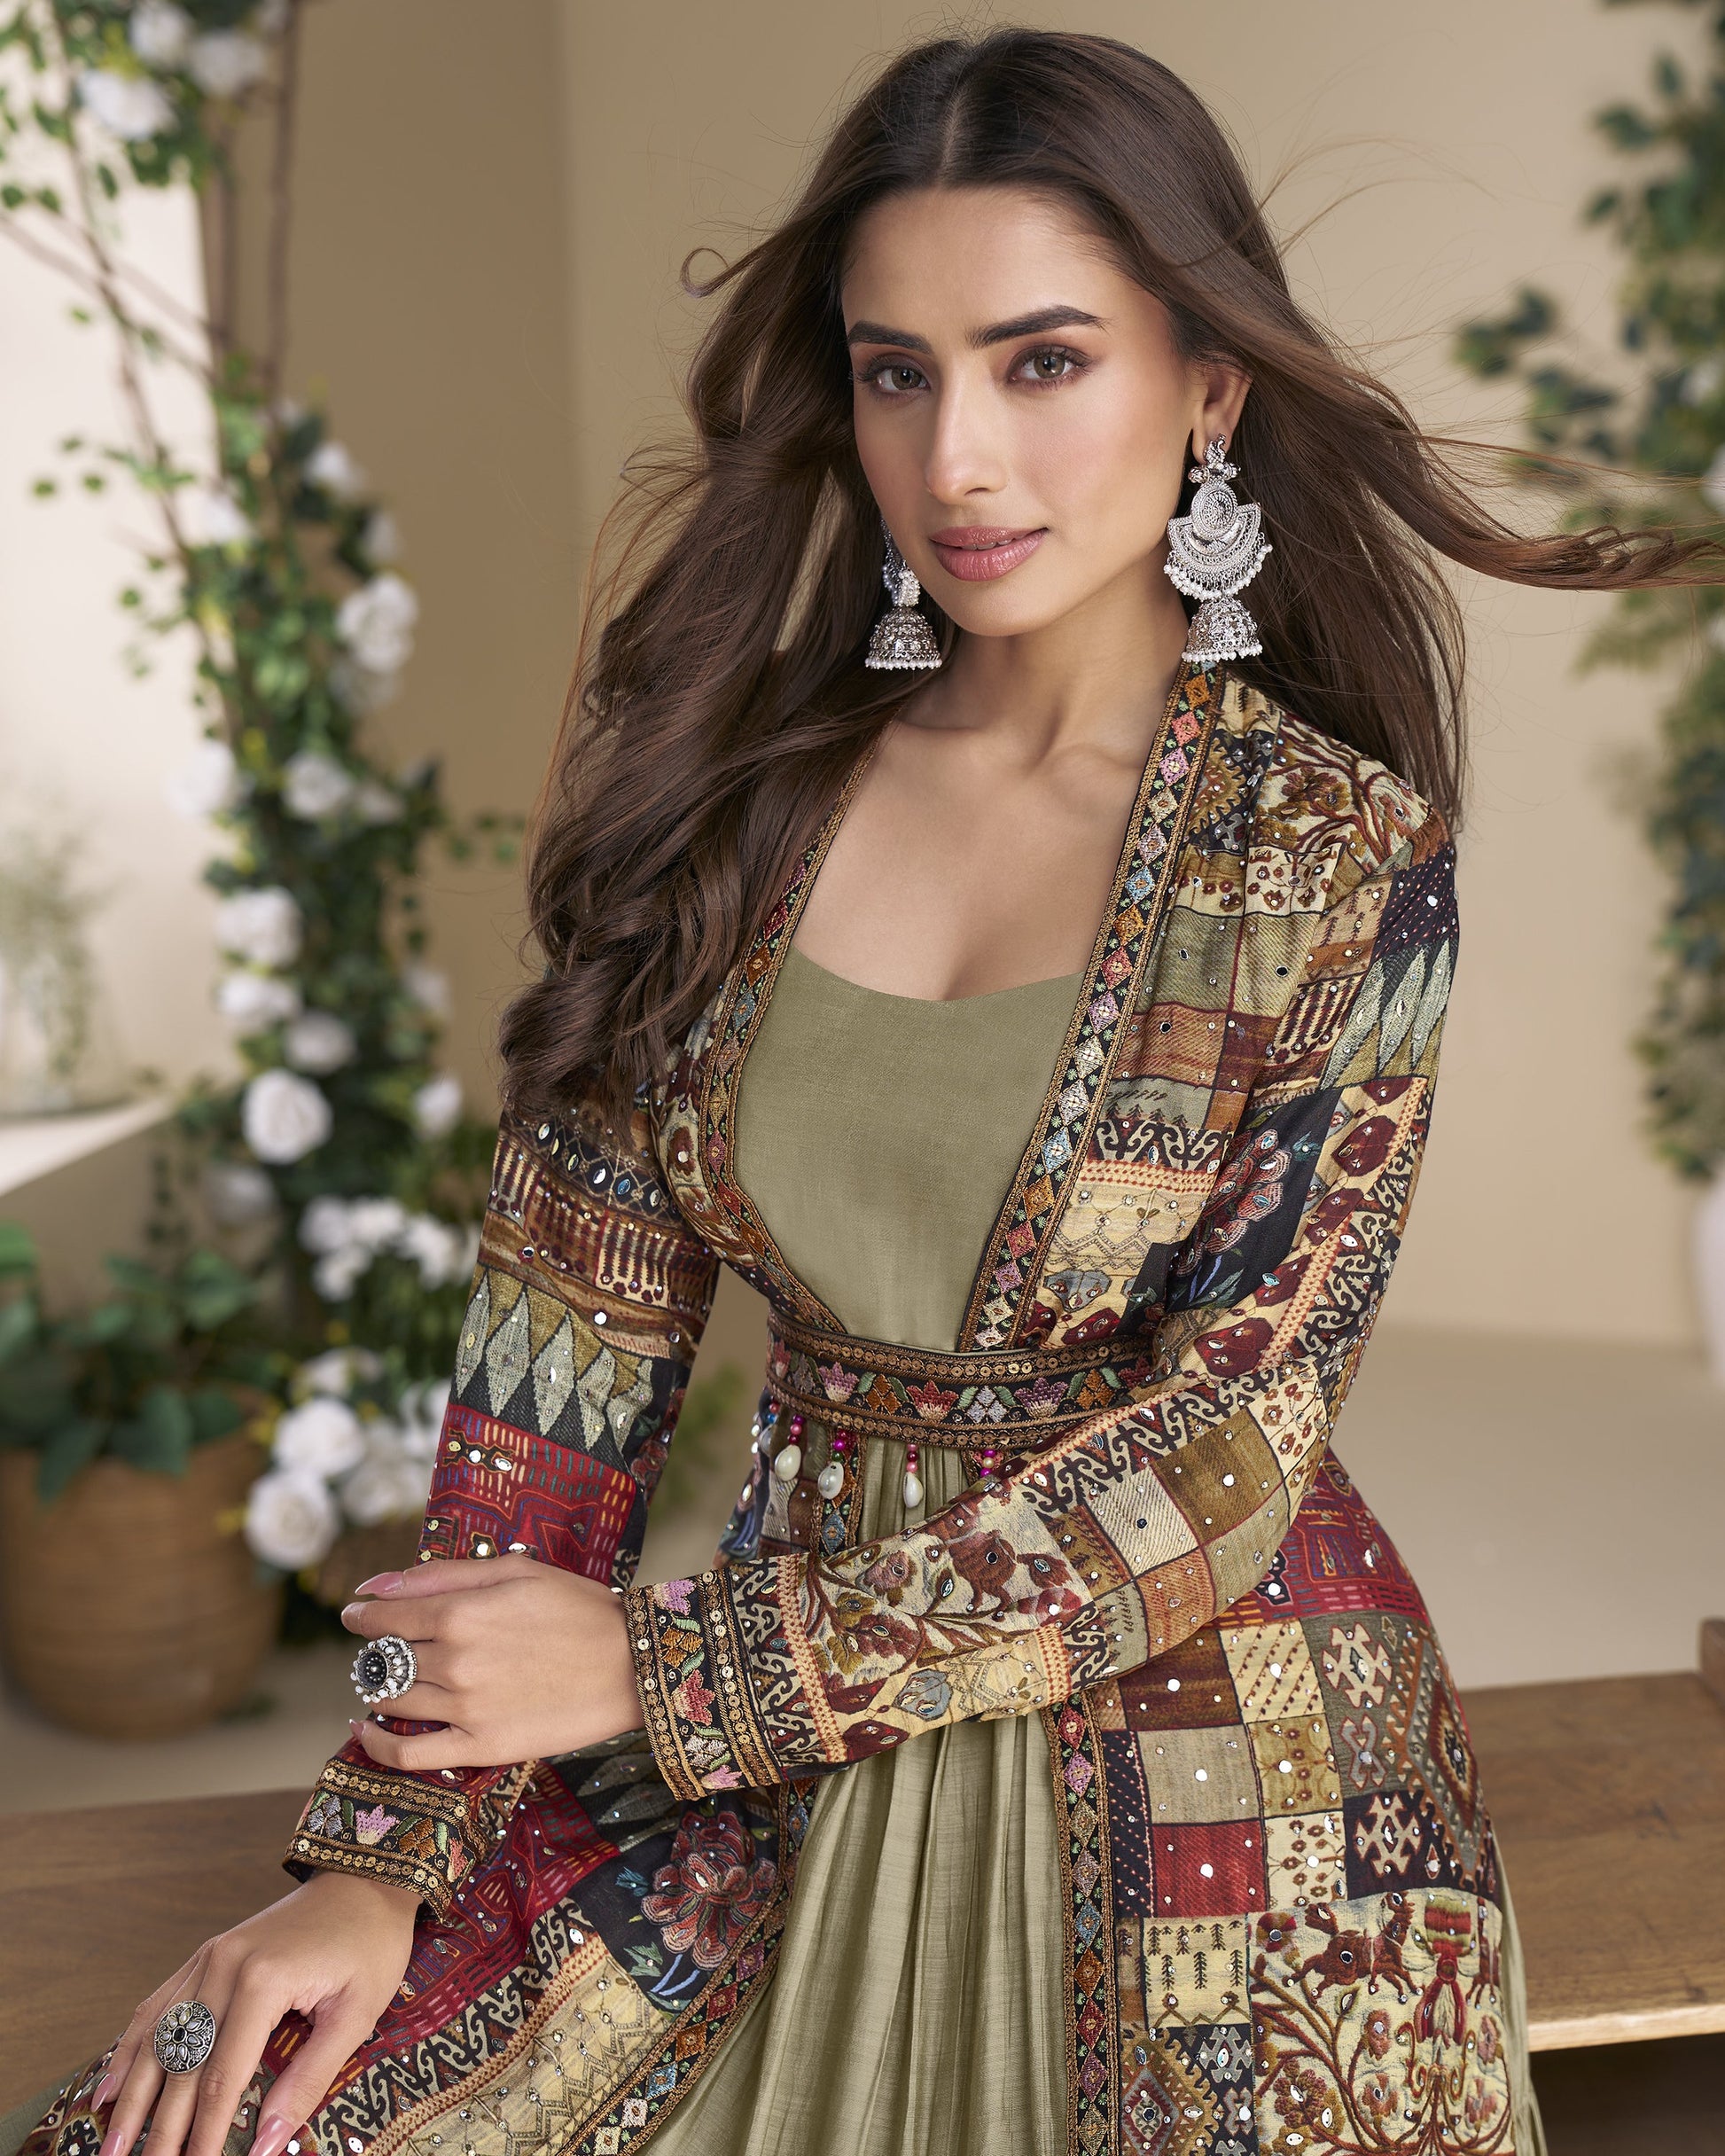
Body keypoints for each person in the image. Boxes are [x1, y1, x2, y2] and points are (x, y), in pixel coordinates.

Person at [14, 27, 1720, 2156]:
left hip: (1225, 1761)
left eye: (1041, 361)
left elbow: (1229, 1447)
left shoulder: (1327, 856)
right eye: (896, 372)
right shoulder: (721, 812)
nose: (959, 457)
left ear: (1208, 386)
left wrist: (673, 1670)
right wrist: (376, 1858)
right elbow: (547, 1397)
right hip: (745, 1786)